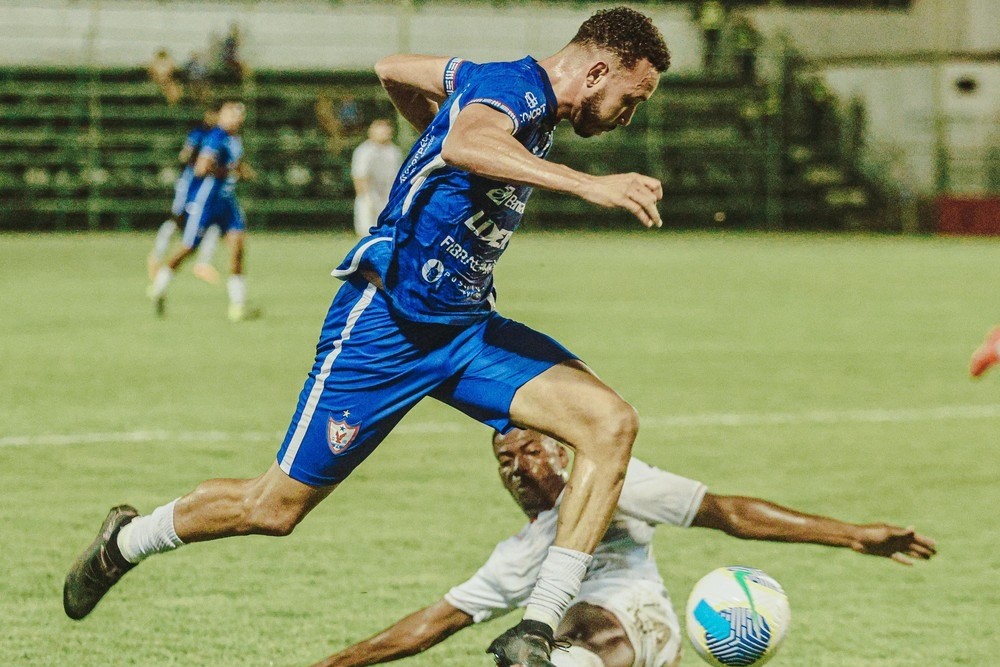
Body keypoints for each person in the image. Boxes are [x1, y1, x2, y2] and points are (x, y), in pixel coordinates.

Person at [65, 9, 669, 667]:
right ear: (598, 71)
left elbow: (393, 71)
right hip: (387, 325)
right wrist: (587, 184)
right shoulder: (515, 89)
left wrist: (432, 129)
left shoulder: (492, 86)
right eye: (629, 101)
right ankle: (127, 540)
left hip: (466, 330)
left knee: (610, 425)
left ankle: (536, 626)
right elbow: (468, 142)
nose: (625, 117)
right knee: (273, 507)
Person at [307, 428, 937, 667]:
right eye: (504, 459)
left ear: (561, 450)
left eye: (530, 450)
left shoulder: (618, 482)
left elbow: (728, 513)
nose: (518, 467)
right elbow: (433, 622)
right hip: (586, 640)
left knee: (561, 644)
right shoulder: (521, 553)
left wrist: (854, 534)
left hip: (641, 626)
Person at [145, 100, 257, 321]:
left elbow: (237, 164)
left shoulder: (236, 139)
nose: (237, 118)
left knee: (237, 249)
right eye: (232, 114)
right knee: (188, 248)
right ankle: (159, 286)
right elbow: (201, 167)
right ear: (222, 115)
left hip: (227, 202)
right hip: (206, 201)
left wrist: (245, 172)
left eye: (239, 114)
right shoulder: (215, 137)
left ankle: (238, 306)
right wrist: (228, 170)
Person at [147, 106, 223, 285]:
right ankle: (155, 258)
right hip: (190, 185)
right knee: (176, 221)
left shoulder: (222, 136)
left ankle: (203, 263)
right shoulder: (199, 134)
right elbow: (184, 156)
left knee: (212, 223)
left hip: (207, 188)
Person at [351, 119, 403, 237]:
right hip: (370, 196)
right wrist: (366, 199)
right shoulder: (364, 151)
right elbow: (359, 176)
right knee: (366, 232)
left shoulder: (394, 152)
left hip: (388, 197)